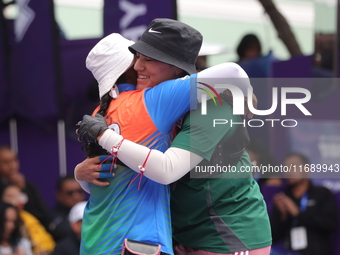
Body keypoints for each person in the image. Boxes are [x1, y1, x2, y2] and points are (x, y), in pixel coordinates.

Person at [76, 19, 257, 255]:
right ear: (129, 67)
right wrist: (247, 94)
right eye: (138, 58)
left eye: (147, 58)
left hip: (94, 242)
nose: (141, 65)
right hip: (139, 243)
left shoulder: (98, 114)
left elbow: (96, 184)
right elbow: (233, 72)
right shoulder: (152, 99)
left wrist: (78, 174)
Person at [270, 152, 338, 255]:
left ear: (306, 169)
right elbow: (273, 237)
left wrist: (297, 212)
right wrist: (283, 216)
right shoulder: (283, 197)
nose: (289, 171)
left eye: (293, 166)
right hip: (288, 251)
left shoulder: (322, 193)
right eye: (285, 168)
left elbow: (330, 224)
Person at [0, 146, 50, 228]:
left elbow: (43, 213)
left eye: (14, 160)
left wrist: (23, 189)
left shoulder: (29, 186)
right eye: (6, 162)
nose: (12, 165)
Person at [1, 184, 56, 255]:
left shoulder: (28, 219)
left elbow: (46, 242)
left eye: (14, 221)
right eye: (10, 196)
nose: (10, 226)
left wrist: (44, 250)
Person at [46, 175, 85, 242]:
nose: (76, 196)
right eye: (70, 193)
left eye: (79, 191)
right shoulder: (52, 217)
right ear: (59, 195)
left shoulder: (94, 211)